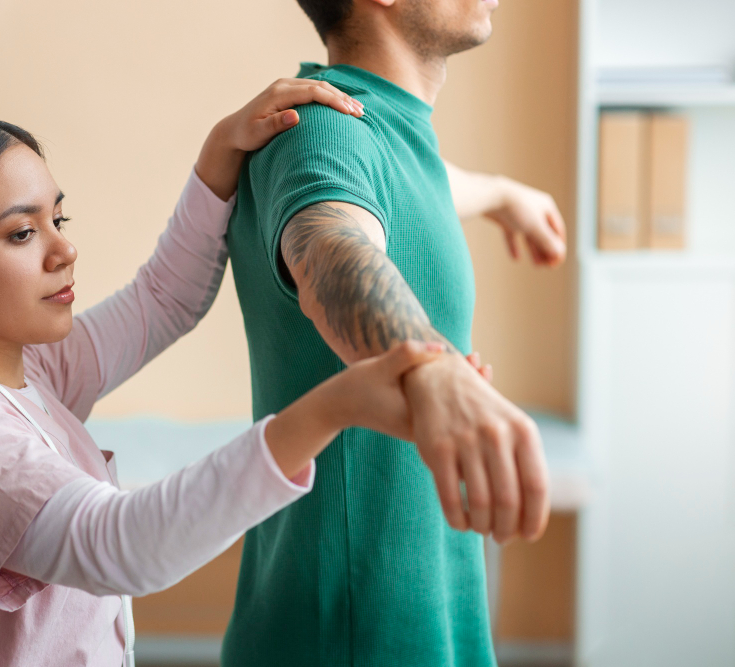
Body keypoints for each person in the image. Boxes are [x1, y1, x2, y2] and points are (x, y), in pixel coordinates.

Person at [0, 82, 455, 667]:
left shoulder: (20, 369)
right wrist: (333, 406)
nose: (65, 249)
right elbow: (122, 545)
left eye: (58, 219)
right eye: (22, 233)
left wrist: (220, 152)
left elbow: (161, 301)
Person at [222, 1, 568, 666]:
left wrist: (503, 194)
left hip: (415, 616)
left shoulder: (385, 131)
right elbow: (330, 251)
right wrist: (431, 367)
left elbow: (422, 182)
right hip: (354, 632)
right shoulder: (321, 127)